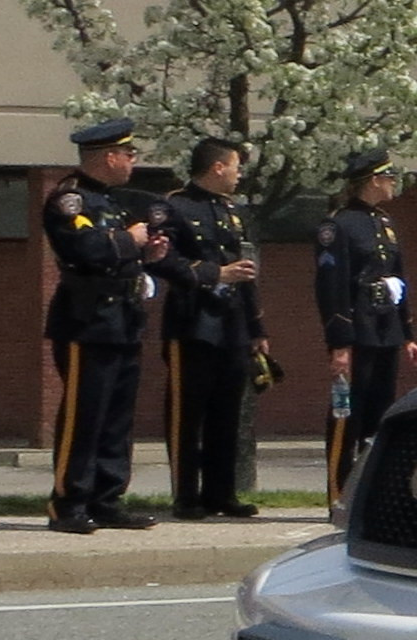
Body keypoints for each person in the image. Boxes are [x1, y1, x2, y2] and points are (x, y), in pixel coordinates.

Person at [42, 118, 170, 534]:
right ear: (109, 156)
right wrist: (126, 241)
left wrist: (146, 253)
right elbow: (85, 249)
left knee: (117, 416)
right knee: (85, 414)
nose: (133, 161)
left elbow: (116, 253)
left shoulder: (110, 202)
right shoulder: (70, 200)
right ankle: (69, 502)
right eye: (129, 154)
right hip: (87, 321)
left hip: (123, 320)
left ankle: (106, 497)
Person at [158, 138, 268, 520]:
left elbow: (245, 271)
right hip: (193, 323)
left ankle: (221, 493)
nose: (240, 175)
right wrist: (214, 274)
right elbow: (162, 261)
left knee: (227, 412)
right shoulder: (175, 206)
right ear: (218, 167)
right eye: (236, 166)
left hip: (232, 323)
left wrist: (257, 326)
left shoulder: (231, 211)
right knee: (189, 413)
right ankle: (186, 496)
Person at [315, 148, 417, 503]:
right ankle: (338, 493)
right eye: (390, 177)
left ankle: (370, 493)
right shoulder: (339, 225)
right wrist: (340, 342)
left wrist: (407, 335)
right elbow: (332, 287)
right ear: (374, 180)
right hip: (357, 331)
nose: (394, 184)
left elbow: (398, 279)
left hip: (384, 329)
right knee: (348, 413)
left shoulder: (385, 224)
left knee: (379, 414)